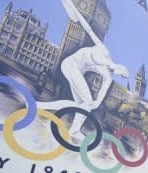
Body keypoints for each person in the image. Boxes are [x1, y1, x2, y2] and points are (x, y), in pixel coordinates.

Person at [37, 0, 128, 139]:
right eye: (122, 72)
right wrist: (73, 8)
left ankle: (72, 128)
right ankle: (40, 107)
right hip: (70, 64)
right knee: (85, 102)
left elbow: (103, 91)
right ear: (121, 66)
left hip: (76, 71)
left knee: (83, 105)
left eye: (122, 76)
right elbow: (89, 29)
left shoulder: (108, 75)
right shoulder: (104, 52)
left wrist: (96, 102)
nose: (120, 74)